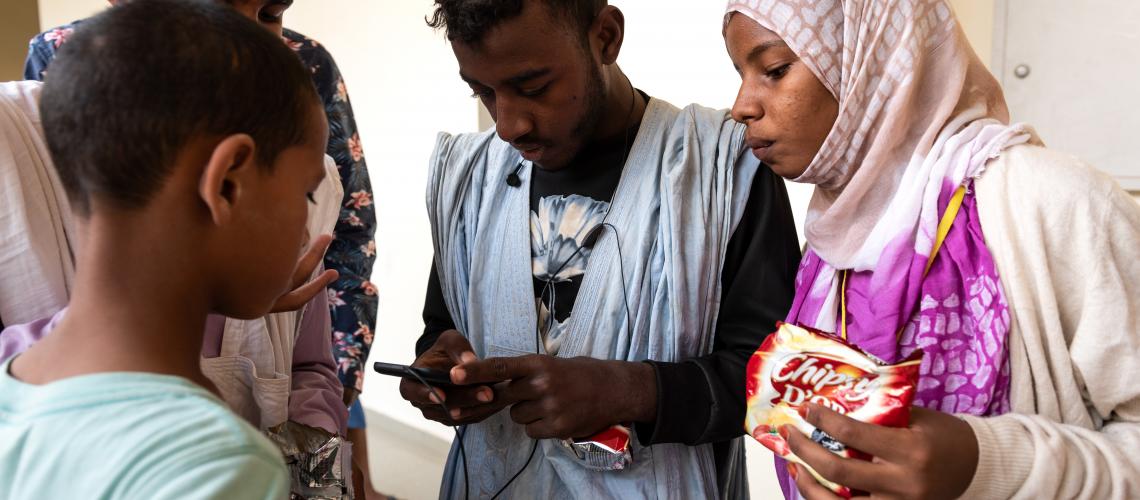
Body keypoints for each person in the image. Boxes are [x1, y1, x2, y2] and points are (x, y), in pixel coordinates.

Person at [722, 1, 1140, 498]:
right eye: (740, 73)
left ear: (869, 62)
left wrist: (986, 464)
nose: (741, 105)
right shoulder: (830, 239)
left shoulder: (1058, 202)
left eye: (774, 69)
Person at [399, 0, 802, 497]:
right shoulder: (468, 179)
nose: (507, 125)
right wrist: (439, 373)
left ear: (606, 37)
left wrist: (633, 391)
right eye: (482, 91)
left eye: (532, 87)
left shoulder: (722, 169)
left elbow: (777, 378)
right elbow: (444, 327)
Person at [21, 1, 383, 495]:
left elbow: (312, 369)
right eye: (306, 193)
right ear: (228, 183)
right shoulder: (223, 468)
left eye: (270, 13)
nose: (310, 228)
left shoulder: (15, 378)